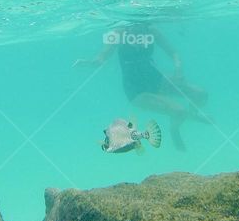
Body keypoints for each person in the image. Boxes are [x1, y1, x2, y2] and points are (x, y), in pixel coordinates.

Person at [75, 22, 210, 151]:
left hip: (156, 79)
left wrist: (178, 69)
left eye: (142, 26)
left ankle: (190, 115)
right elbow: (103, 55)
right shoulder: (119, 32)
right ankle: (175, 128)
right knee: (178, 110)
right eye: (135, 26)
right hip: (136, 90)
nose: (139, 29)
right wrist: (93, 62)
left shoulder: (152, 31)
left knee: (200, 94)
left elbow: (173, 52)